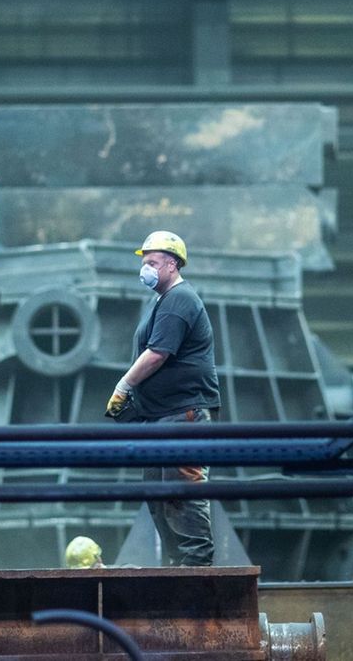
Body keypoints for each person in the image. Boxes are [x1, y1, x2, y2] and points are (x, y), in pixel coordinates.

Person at [106, 230, 220, 567]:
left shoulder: (180, 299)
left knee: (182, 491)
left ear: (172, 264)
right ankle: (180, 565)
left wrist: (124, 386)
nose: (146, 269)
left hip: (183, 413)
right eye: (145, 262)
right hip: (161, 416)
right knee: (158, 494)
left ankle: (197, 565)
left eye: (153, 262)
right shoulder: (161, 301)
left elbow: (157, 354)